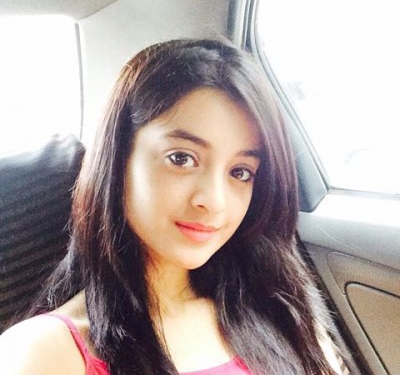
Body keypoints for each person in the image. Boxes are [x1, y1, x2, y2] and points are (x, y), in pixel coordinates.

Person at [0, 39, 344, 375]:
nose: (214, 201)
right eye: (181, 159)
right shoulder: (45, 352)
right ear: (118, 158)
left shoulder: (276, 309)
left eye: (240, 172)